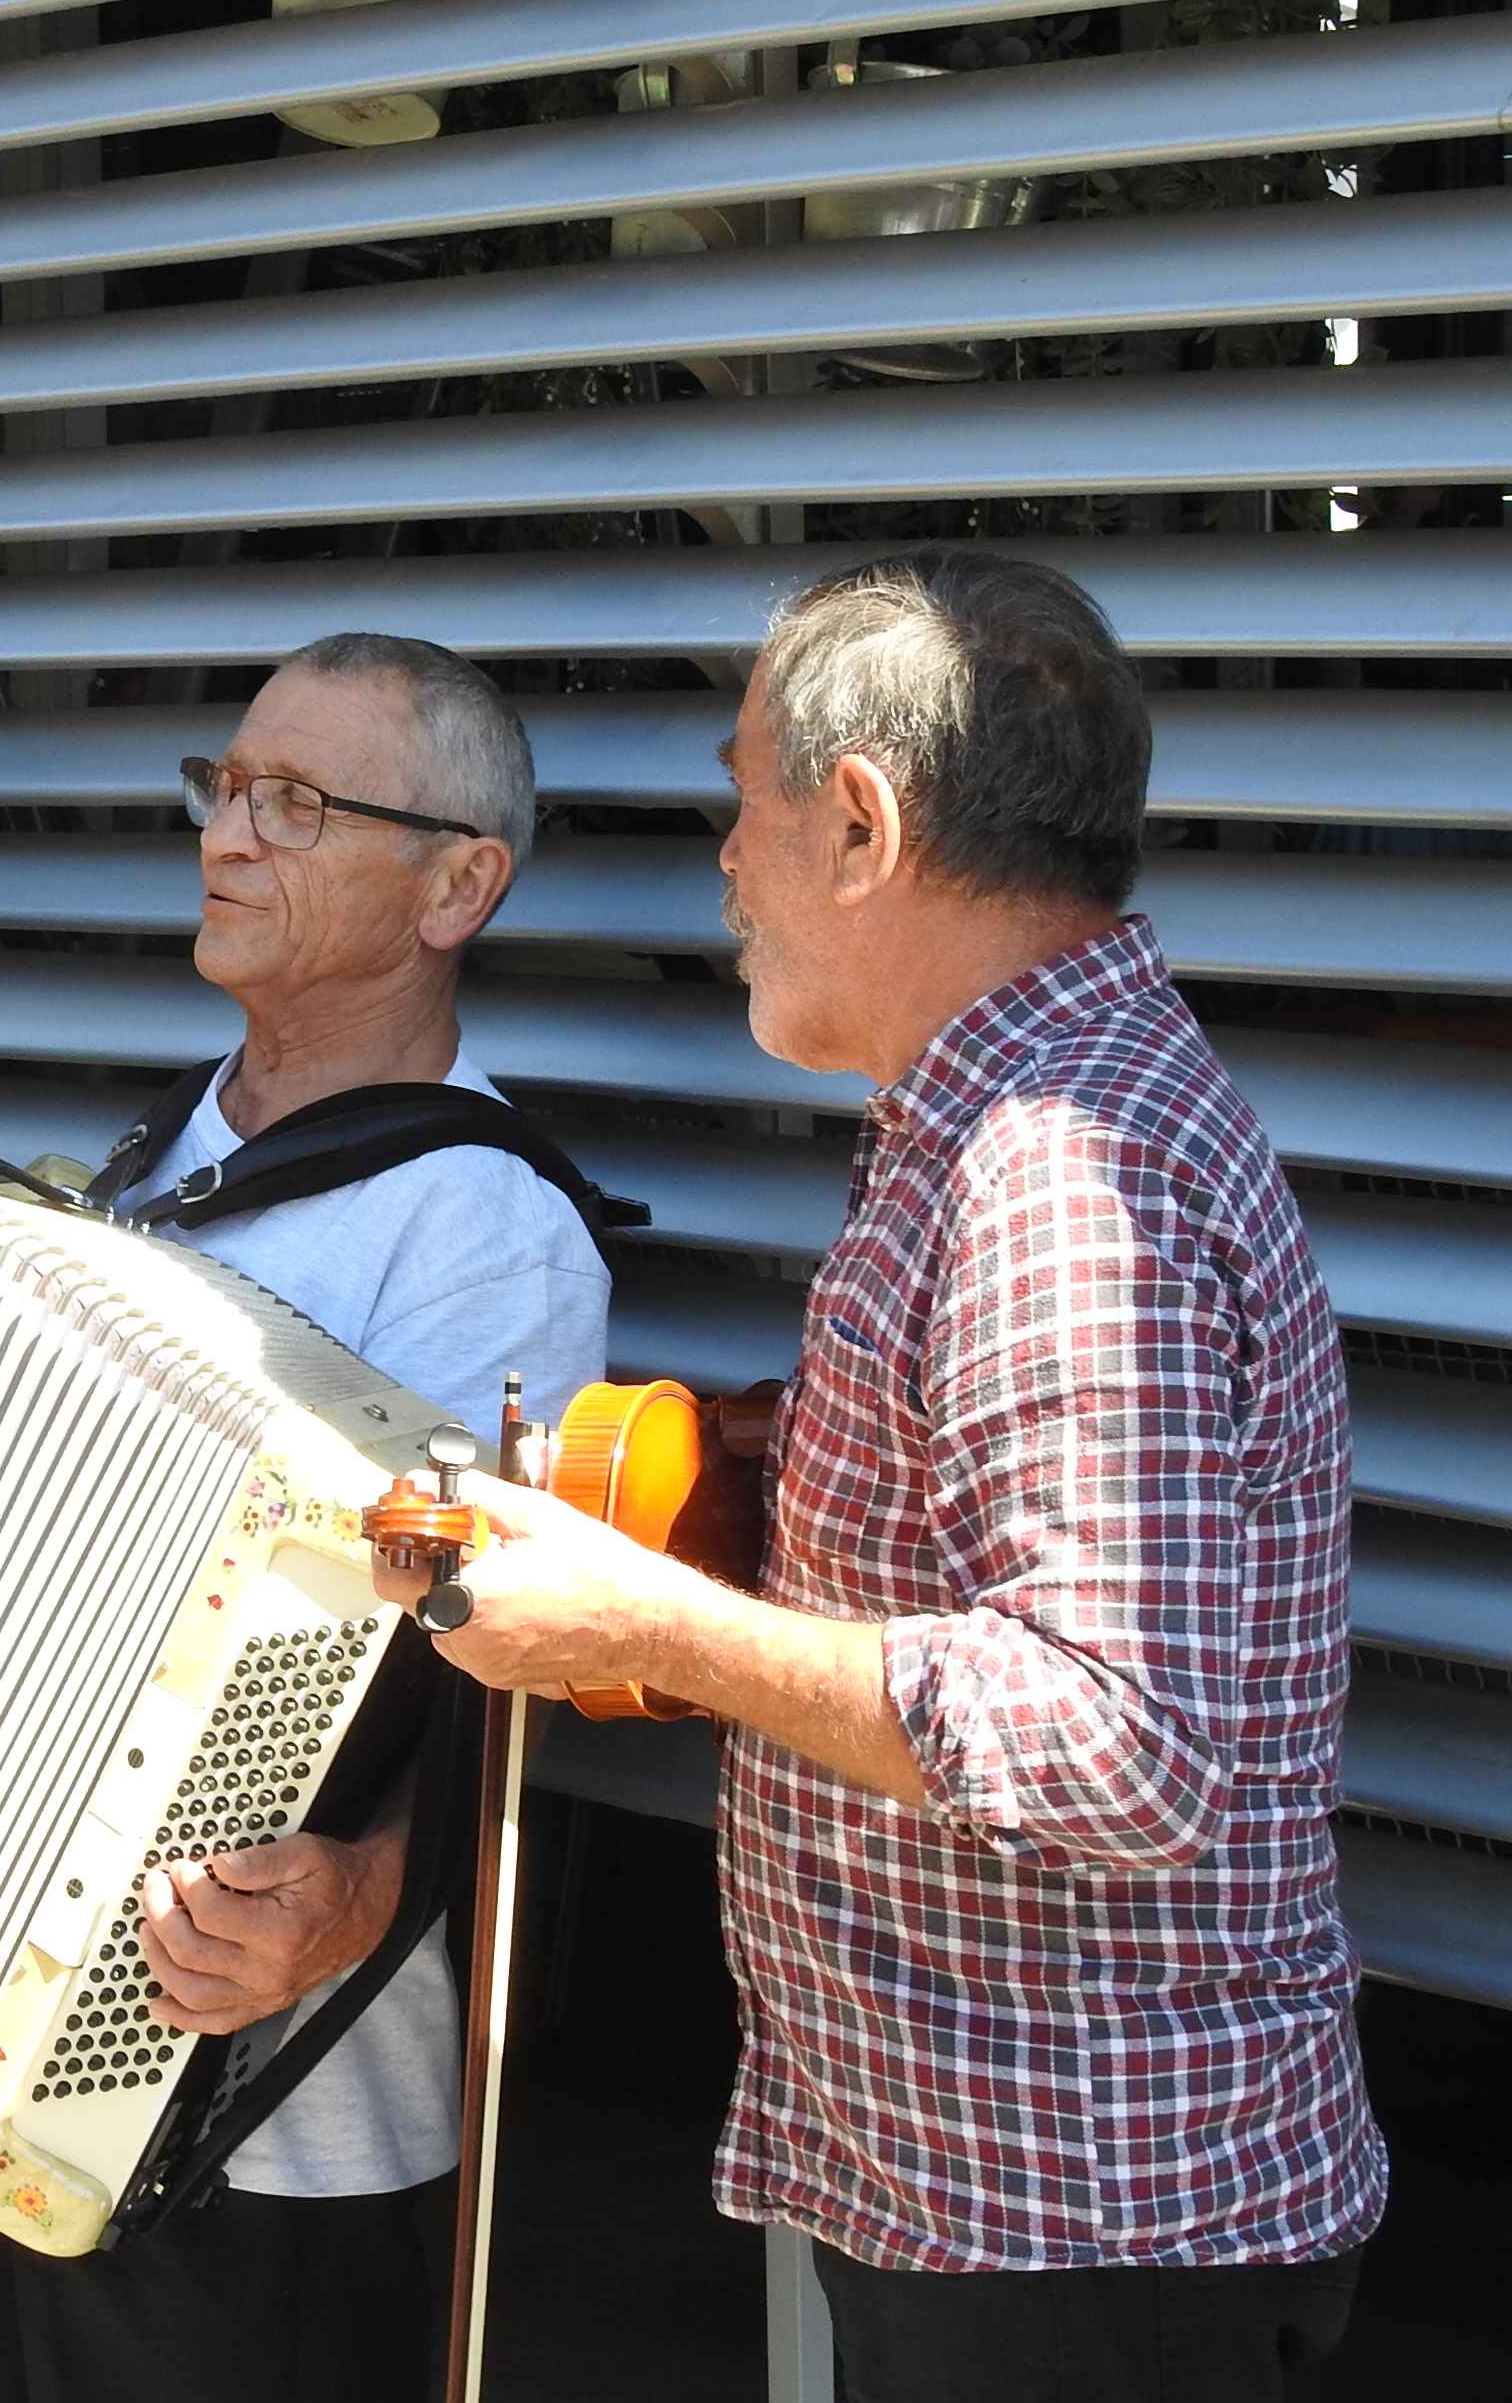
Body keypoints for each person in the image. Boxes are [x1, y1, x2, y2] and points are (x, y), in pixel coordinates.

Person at [413, 550, 1384, 2401]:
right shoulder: (1021, 1111)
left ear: (859, 823)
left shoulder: (1056, 1174)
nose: (722, 861)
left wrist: (649, 1626)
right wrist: (751, 1472)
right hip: (1030, 2211)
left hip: (1082, 2237)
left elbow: (1113, 1738)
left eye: (741, 800)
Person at [0, 633, 610, 2403]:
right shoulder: (146, 1177)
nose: (227, 833)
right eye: (224, 787)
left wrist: (367, 1886)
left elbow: (487, 1667)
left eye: (298, 802)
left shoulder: (482, 1230)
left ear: (458, 887)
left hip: (268, 2129)